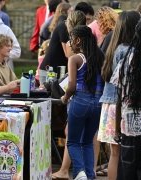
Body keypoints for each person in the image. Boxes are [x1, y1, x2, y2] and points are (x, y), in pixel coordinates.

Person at [98, 10, 140, 180]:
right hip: (119, 106)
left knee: (115, 154)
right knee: (118, 154)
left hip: (110, 104)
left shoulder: (114, 47)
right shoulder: (126, 51)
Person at [61, 25, 104, 180]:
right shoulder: (101, 57)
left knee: (72, 142)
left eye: (71, 39)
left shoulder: (75, 59)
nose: (70, 43)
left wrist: (65, 98)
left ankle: (79, 173)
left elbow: (71, 85)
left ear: (78, 40)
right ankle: (90, 175)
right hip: (98, 103)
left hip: (79, 101)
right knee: (87, 142)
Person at [110, 19, 141, 180]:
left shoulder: (125, 63)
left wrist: (116, 129)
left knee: (127, 170)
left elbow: (118, 99)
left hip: (128, 126)